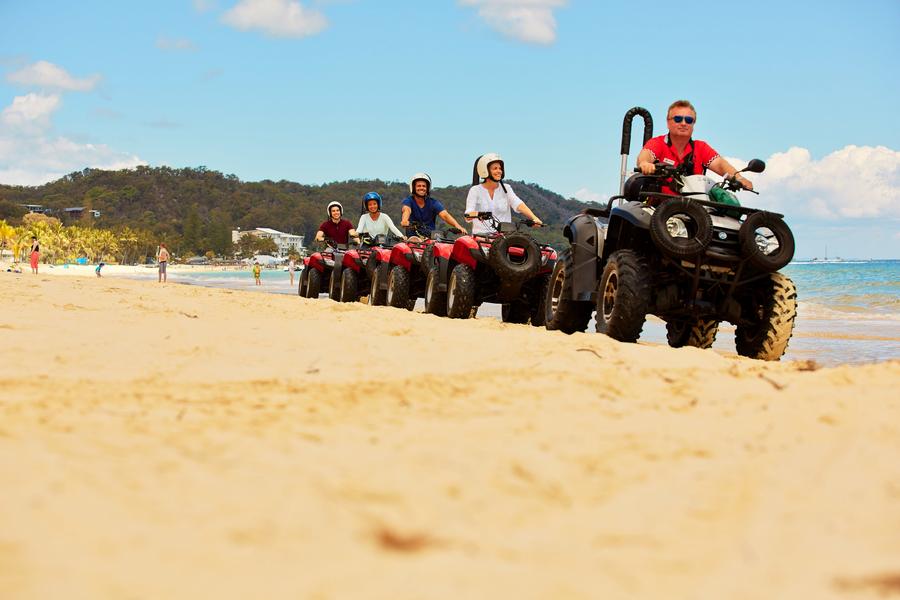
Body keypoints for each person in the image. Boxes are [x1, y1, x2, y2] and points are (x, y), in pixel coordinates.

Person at [636, 99, 755, 191]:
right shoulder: (658, 143)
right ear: (668, 122)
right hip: (659, 207)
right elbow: (646, 154)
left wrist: (739, 177)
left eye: (688, 120)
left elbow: (719, 164)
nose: (683, 123)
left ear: (693, 124)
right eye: (678, 119)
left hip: (694, 208)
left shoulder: (701, 147)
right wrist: (645, 163)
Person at [464, 153, 543, 235]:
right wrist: (479, 214)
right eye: (495, 168)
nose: (499, 171)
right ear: (484, 170)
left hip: (504, 236)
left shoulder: (506, 188)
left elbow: (518, 204)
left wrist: (534, 218)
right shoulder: (475, 190)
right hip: (482, 237)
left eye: (500, 168)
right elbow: (468, 214)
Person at [399, 173, 466, 237]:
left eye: (424, 186)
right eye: (419, 186)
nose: (422, 188)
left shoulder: (433, 203)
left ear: (427, 188)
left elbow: (445, 215)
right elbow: (406, 210)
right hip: (413, 239)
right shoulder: (409, 201)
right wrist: (404, 220)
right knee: (414, 241)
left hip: (431, 238)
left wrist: (457, 226)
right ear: (413, 187)